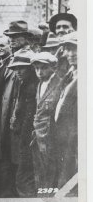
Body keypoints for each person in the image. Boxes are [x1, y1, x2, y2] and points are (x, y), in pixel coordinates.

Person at [0, 21, 33, 197]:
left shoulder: (28, 57)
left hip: (17, 113)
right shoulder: (11, 58)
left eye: (16, 37)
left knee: (17, 154)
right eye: (10, 37)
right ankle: (9, 190)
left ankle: (15, 193)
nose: (11, 40)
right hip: (9, 112)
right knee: (9, 152)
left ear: (25, 38)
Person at [6, 50, 38, 197]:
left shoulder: (31, 86)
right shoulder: (23, 83)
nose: (18, 71)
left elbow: (29, 116)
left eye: (21, 68)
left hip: (27, 135)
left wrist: (24, 138)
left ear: (30, 68)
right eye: (15, 68)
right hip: (20, 133)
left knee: (24, 174)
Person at [29, 52, 61, 193]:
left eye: (43, 68)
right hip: (38, 134)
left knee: (51, 168)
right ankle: (42, 194)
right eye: (36, 68)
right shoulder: (40, 84)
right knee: (40, 168)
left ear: (53, 67)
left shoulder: (58, 83)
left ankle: (49, 194)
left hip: (51, 134)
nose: (39, 72)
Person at [53, 32, 77, 192]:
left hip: (75, 142)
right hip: (65, 141)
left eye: (74, 49)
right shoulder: (71, 73)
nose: (70, 54)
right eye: (67, 49)